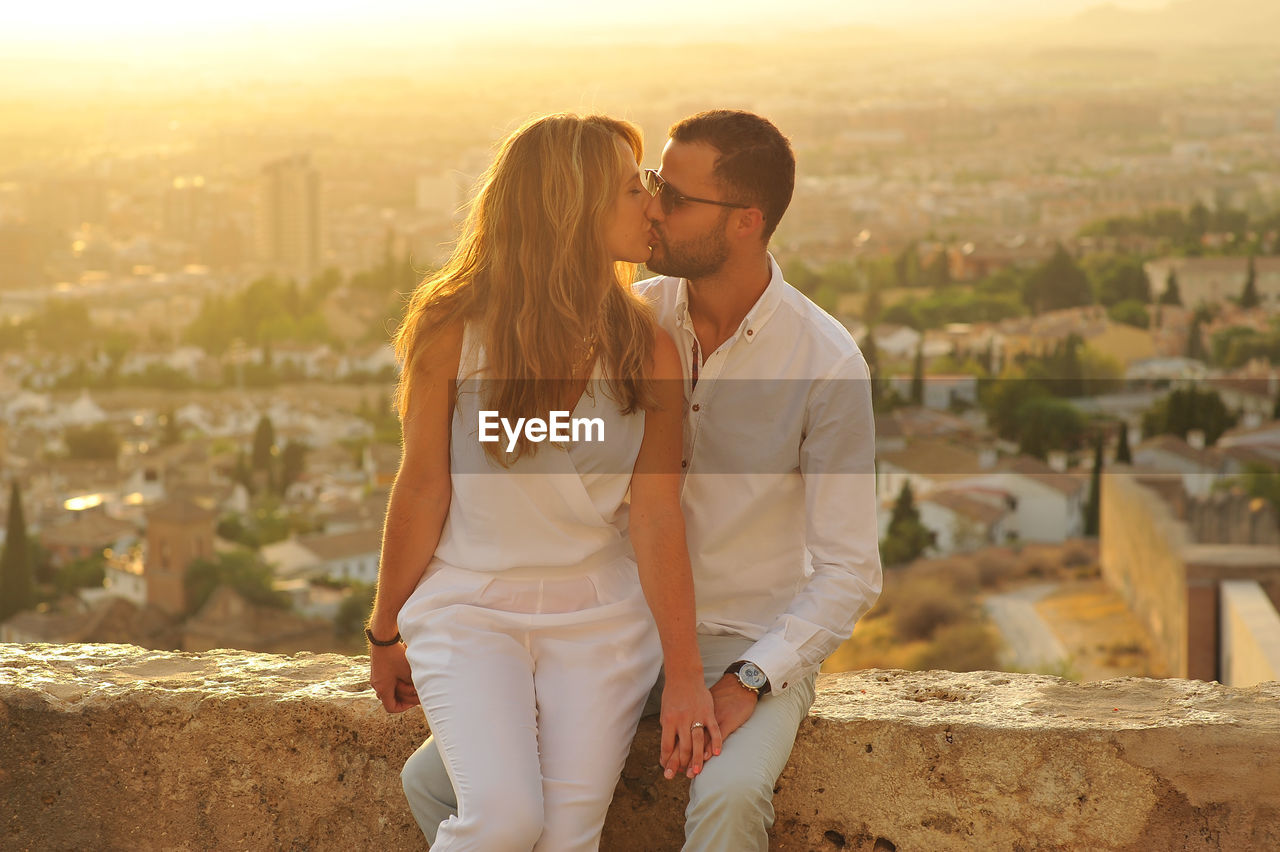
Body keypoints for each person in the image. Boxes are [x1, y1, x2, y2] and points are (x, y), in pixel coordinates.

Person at [403, 109, 883, 851]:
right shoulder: (632, 318)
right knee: (434, 783)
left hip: (734, 641)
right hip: (616, 625)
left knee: (728, 796)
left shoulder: (825, 364)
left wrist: (748, 678)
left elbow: (850, 570)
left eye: (677, 198)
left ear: (746, 222)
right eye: (651, 184)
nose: (655, 206)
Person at [367, 113, 721, 852]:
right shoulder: (452, 330)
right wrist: (385, 628)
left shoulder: (647, 349)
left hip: (600, 622)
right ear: (573, 208)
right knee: (502, 820)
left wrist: (685, 674)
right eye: (633, 189)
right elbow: (423, 486)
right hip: (470, 609)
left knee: (568, 841)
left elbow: (657, 517)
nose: (652, 205)